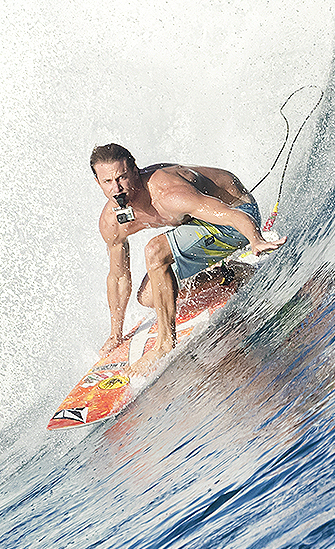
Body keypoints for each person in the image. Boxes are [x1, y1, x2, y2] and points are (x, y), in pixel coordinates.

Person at [89, 143, 281, 375]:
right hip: (198, 223)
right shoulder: (112, 220)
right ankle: (230, 273)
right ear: (98, 183)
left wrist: (255, 239)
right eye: (107, 182)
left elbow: (231, 215)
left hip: (237, 217)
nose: (116, 188)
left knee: (155, 251)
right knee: (149, 296)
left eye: (122, 178)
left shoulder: (168, 193)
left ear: (135, 169)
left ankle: (165, 343)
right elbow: (118, 277)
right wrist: (115, 334)